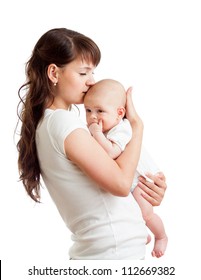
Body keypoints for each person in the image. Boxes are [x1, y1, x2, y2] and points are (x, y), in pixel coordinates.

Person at [16, 28, 167, 260]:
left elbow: (118, 179)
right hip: (112, 254)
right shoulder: (63, 123)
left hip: (109, 252)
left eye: (93, 73)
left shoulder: (54, 122)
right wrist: (136, 127)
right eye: (83, 73)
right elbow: (119, 183)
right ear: (54, 73)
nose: (92, 81)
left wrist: (145, 189)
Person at [84, 79, 168, 258]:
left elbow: (112, 152)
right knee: (127, 210)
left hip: (141, 180)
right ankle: (139, 233)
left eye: (100, 111)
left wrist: (96, 134)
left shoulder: (121, 129)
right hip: (125, 181)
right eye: (88, 110)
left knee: (146, 213)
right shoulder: (101, 129)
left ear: (119, 113)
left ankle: (161, 236)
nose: (92, 116)